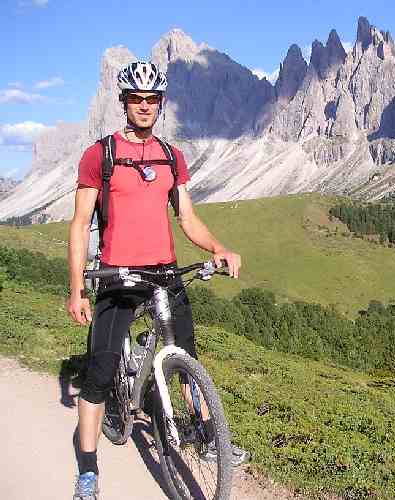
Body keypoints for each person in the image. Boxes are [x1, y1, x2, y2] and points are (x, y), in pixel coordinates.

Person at [66, 61, 247, 500]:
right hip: (115, 276)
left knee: (187, 359)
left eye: (152, 100)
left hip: (164, 273)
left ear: (160, 104)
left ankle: (207, 438)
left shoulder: (171, 156)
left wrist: (217, 248)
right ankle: (88, 471)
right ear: (125, 102)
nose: (144, 107)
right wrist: (77, 287)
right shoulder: (100, 154)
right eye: (136, 99)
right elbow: (79, 224)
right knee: (101, 371)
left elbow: (187, 217)